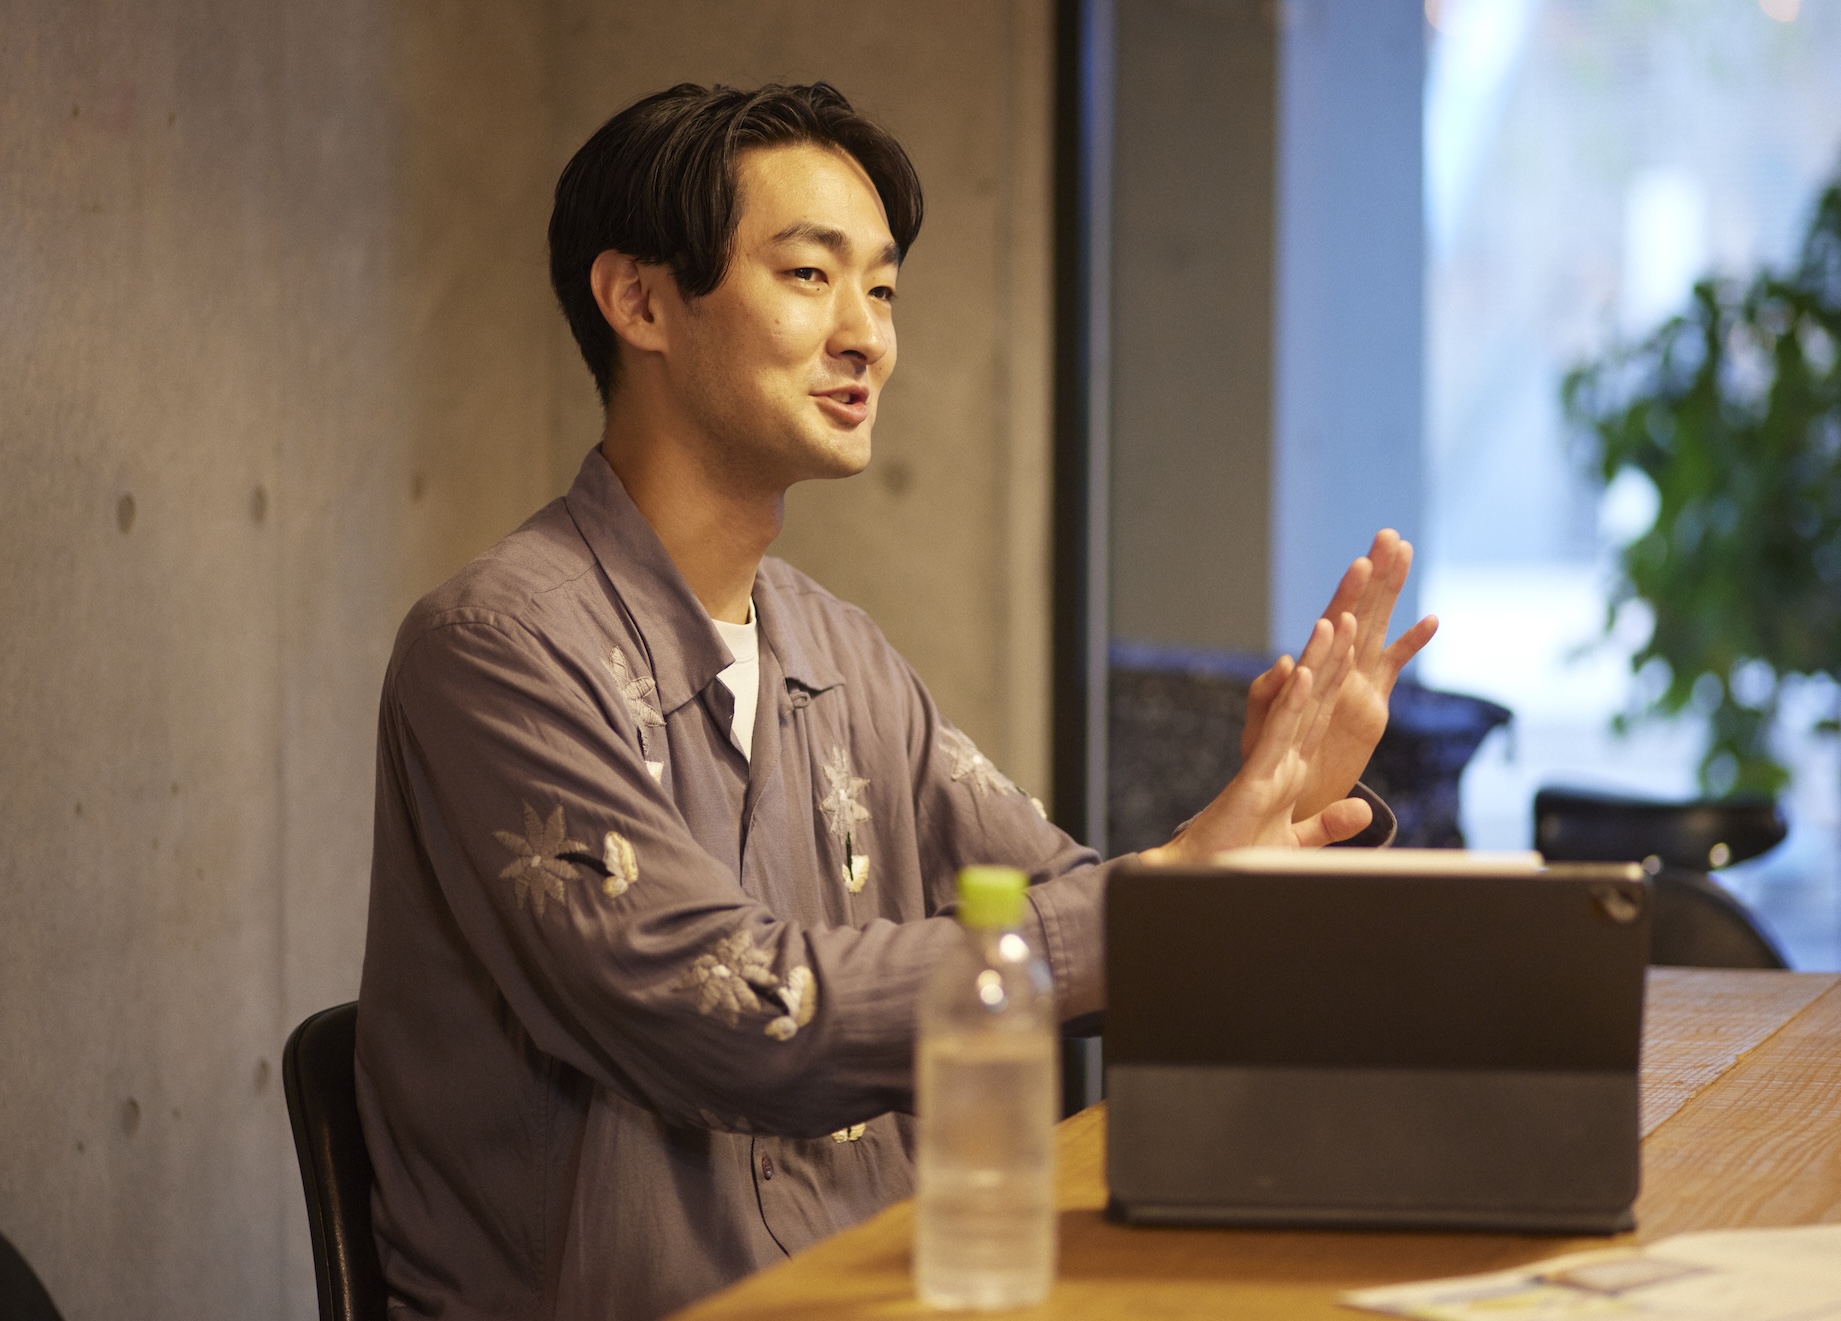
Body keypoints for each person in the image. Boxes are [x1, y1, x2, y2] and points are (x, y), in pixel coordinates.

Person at [355, 81, 1436, 1320]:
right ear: (639, 301)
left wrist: (1272, 824)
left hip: (894, 1287)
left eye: (882, 291)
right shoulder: (495, 647)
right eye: (811, 276)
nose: (867, 336)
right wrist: (1172, 894)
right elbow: (744, 1011)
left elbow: (1069, 917)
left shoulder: (838, 649)